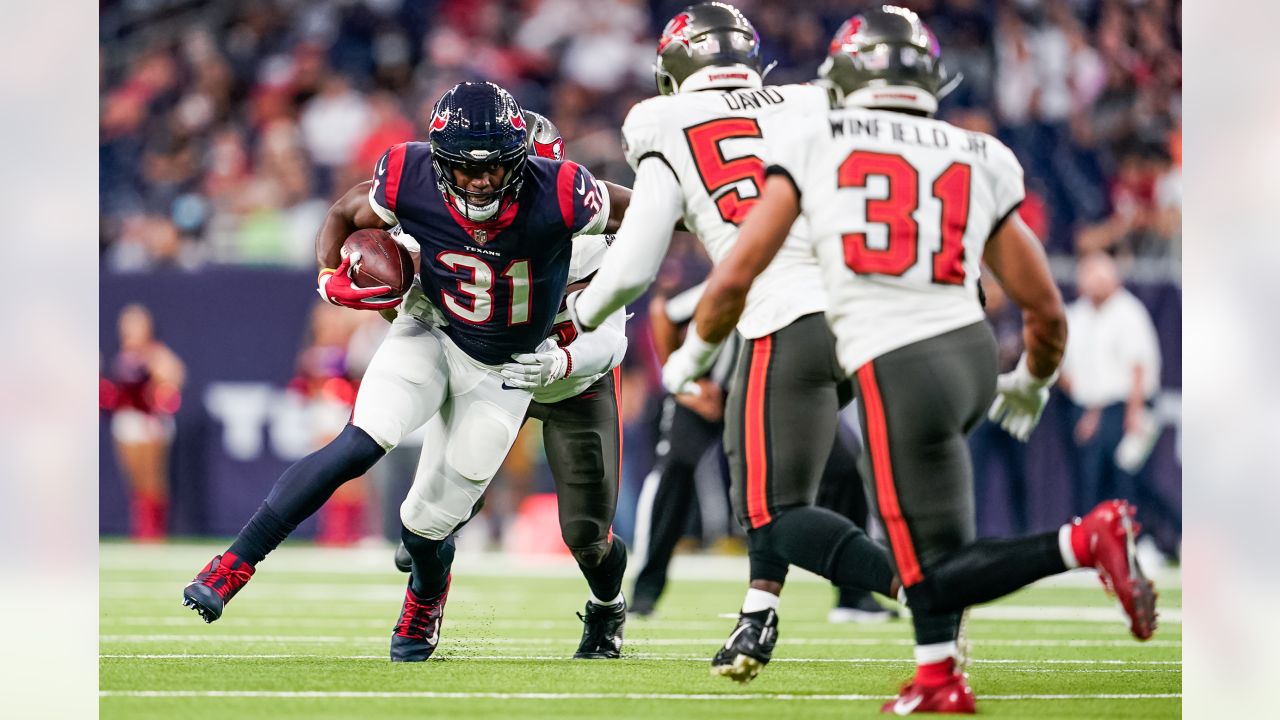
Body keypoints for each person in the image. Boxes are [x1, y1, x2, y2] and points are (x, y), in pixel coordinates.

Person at [669, 7, 1157, 713]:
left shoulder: (816, 137)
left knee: (906, 565)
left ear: (842, 76)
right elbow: (1043, 307)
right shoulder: (979, 150)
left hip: (899, 359)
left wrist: (694, 354)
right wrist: (1031, 381)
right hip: (970, 353)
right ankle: (937, 678)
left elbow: (740, 271)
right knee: (937, 536)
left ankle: (1083, 540)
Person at [182, 82, 629, 664]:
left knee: (428, 524)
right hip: (434, 330)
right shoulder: (410, 176)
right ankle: (235, 562)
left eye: (499, 168)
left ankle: (432, 587)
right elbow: (347, 211)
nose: (480, 183)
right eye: (467, 169)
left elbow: (622, 305)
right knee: (361, 440)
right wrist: (329, 279)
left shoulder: (574, 213)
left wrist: (720, 218)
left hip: (517, 369)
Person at [568, 2, 899, 682]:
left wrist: (579, 317)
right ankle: (759, 613)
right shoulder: (808, 99)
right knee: (776, 486)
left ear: (673, 72)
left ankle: (934, 586)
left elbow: (632, 266)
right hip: (872, 299)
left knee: (767, 510)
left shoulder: (661, 119)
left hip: (787, 313)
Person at [392, 111, 633, 659]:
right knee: (435, 516)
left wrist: (561, 363)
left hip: (573, 384)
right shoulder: (463, 221)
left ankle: (608, 608)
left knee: (587, 537)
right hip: (495, 373)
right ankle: (421, 610)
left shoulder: (594, 240)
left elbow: (612, 339)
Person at [1060, 251, 1178, 549]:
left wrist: (1134, 413)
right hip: (1089, 409)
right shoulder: (1076, 316)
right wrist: (1084, 404)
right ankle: (1095, 545)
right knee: (1091, 479)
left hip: (1126, 406)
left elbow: (1138, 367)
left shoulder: (1128, 311)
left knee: (1127, 477)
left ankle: (1149, 539)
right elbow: (1062, 367)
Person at [101, 304, 185, 540]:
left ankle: (154, 531)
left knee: (152, 478)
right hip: (127, 420)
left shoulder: (155, 352)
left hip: (150, 422)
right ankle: (141, 529)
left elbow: (176, 375)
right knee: (135, 480)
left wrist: (159, 387)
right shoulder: (120, 354)